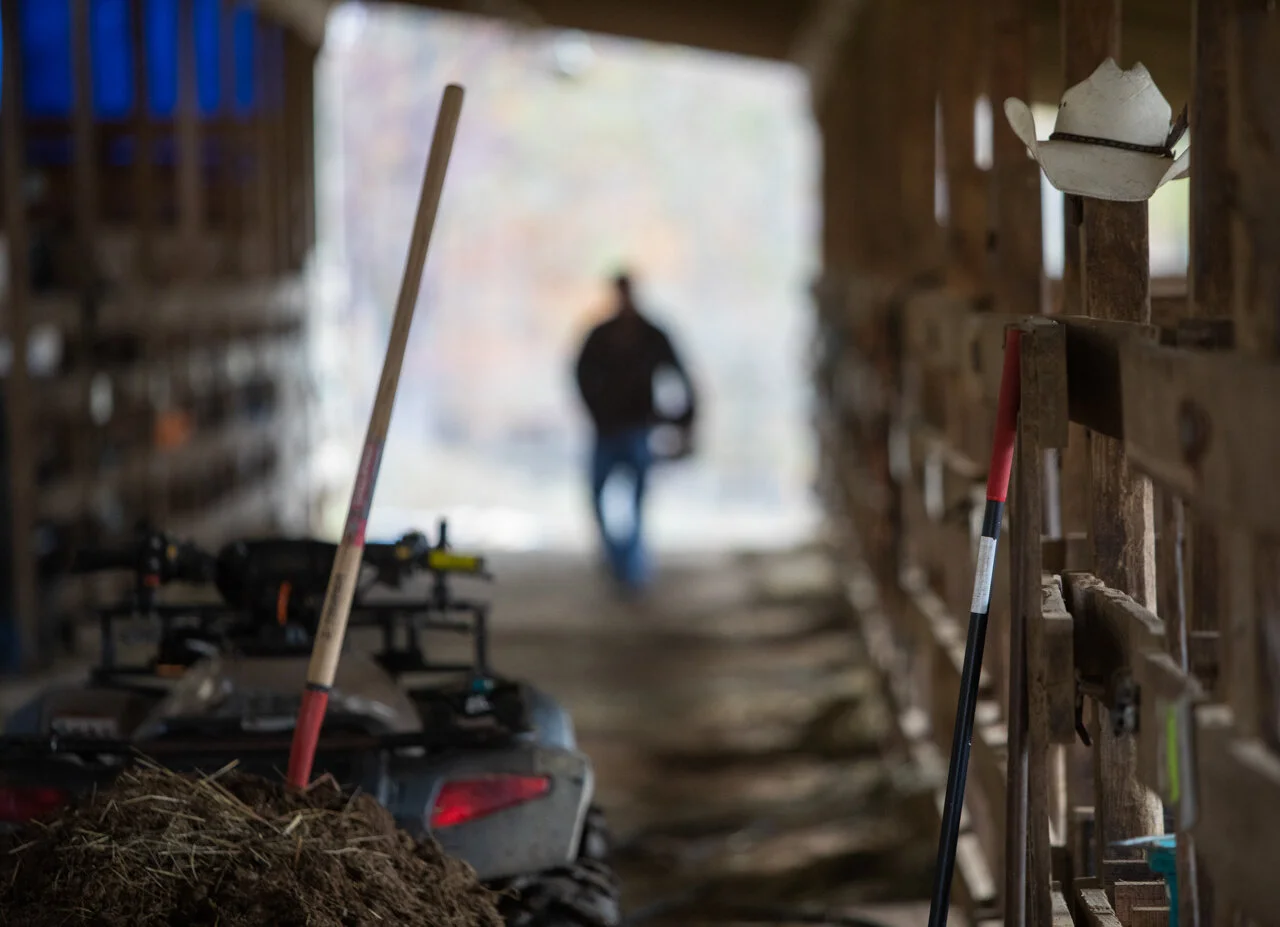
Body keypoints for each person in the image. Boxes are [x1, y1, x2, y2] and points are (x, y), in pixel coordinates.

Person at [574, 272, 696, 592]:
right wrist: (596, 411)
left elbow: (682, 376)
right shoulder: (600, 336)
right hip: (606, 431)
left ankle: (631, 566)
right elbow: (580, 375)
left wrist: (683, 422)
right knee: (598, 498)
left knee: (637, 501)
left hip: (638, 430)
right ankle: (617, 558)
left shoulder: (653, 335)